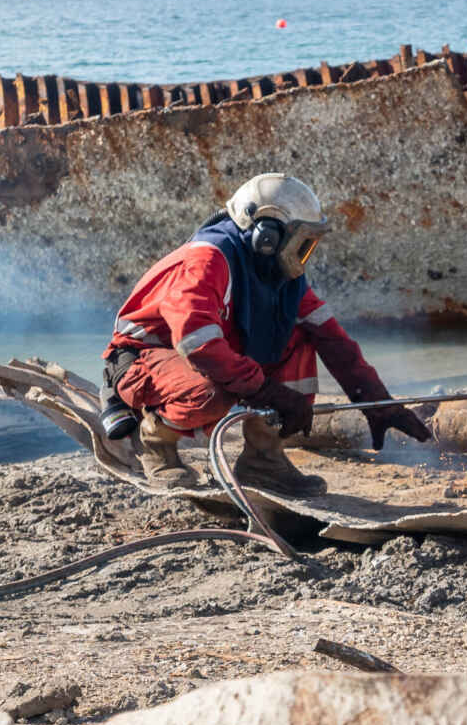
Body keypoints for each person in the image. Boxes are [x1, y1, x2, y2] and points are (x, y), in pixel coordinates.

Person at [99, 173, 432, 494]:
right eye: (303, 241)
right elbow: (196, 343)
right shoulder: (207, 260)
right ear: (267, 236)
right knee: (214, 391)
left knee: (300, 338)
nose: (305, 253)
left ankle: (263, 460)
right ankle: (155, 443)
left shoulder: (279, 276)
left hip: (191, 355)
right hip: (142, 358)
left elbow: (332, 340)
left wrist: (377, 403)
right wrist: (267, 391)